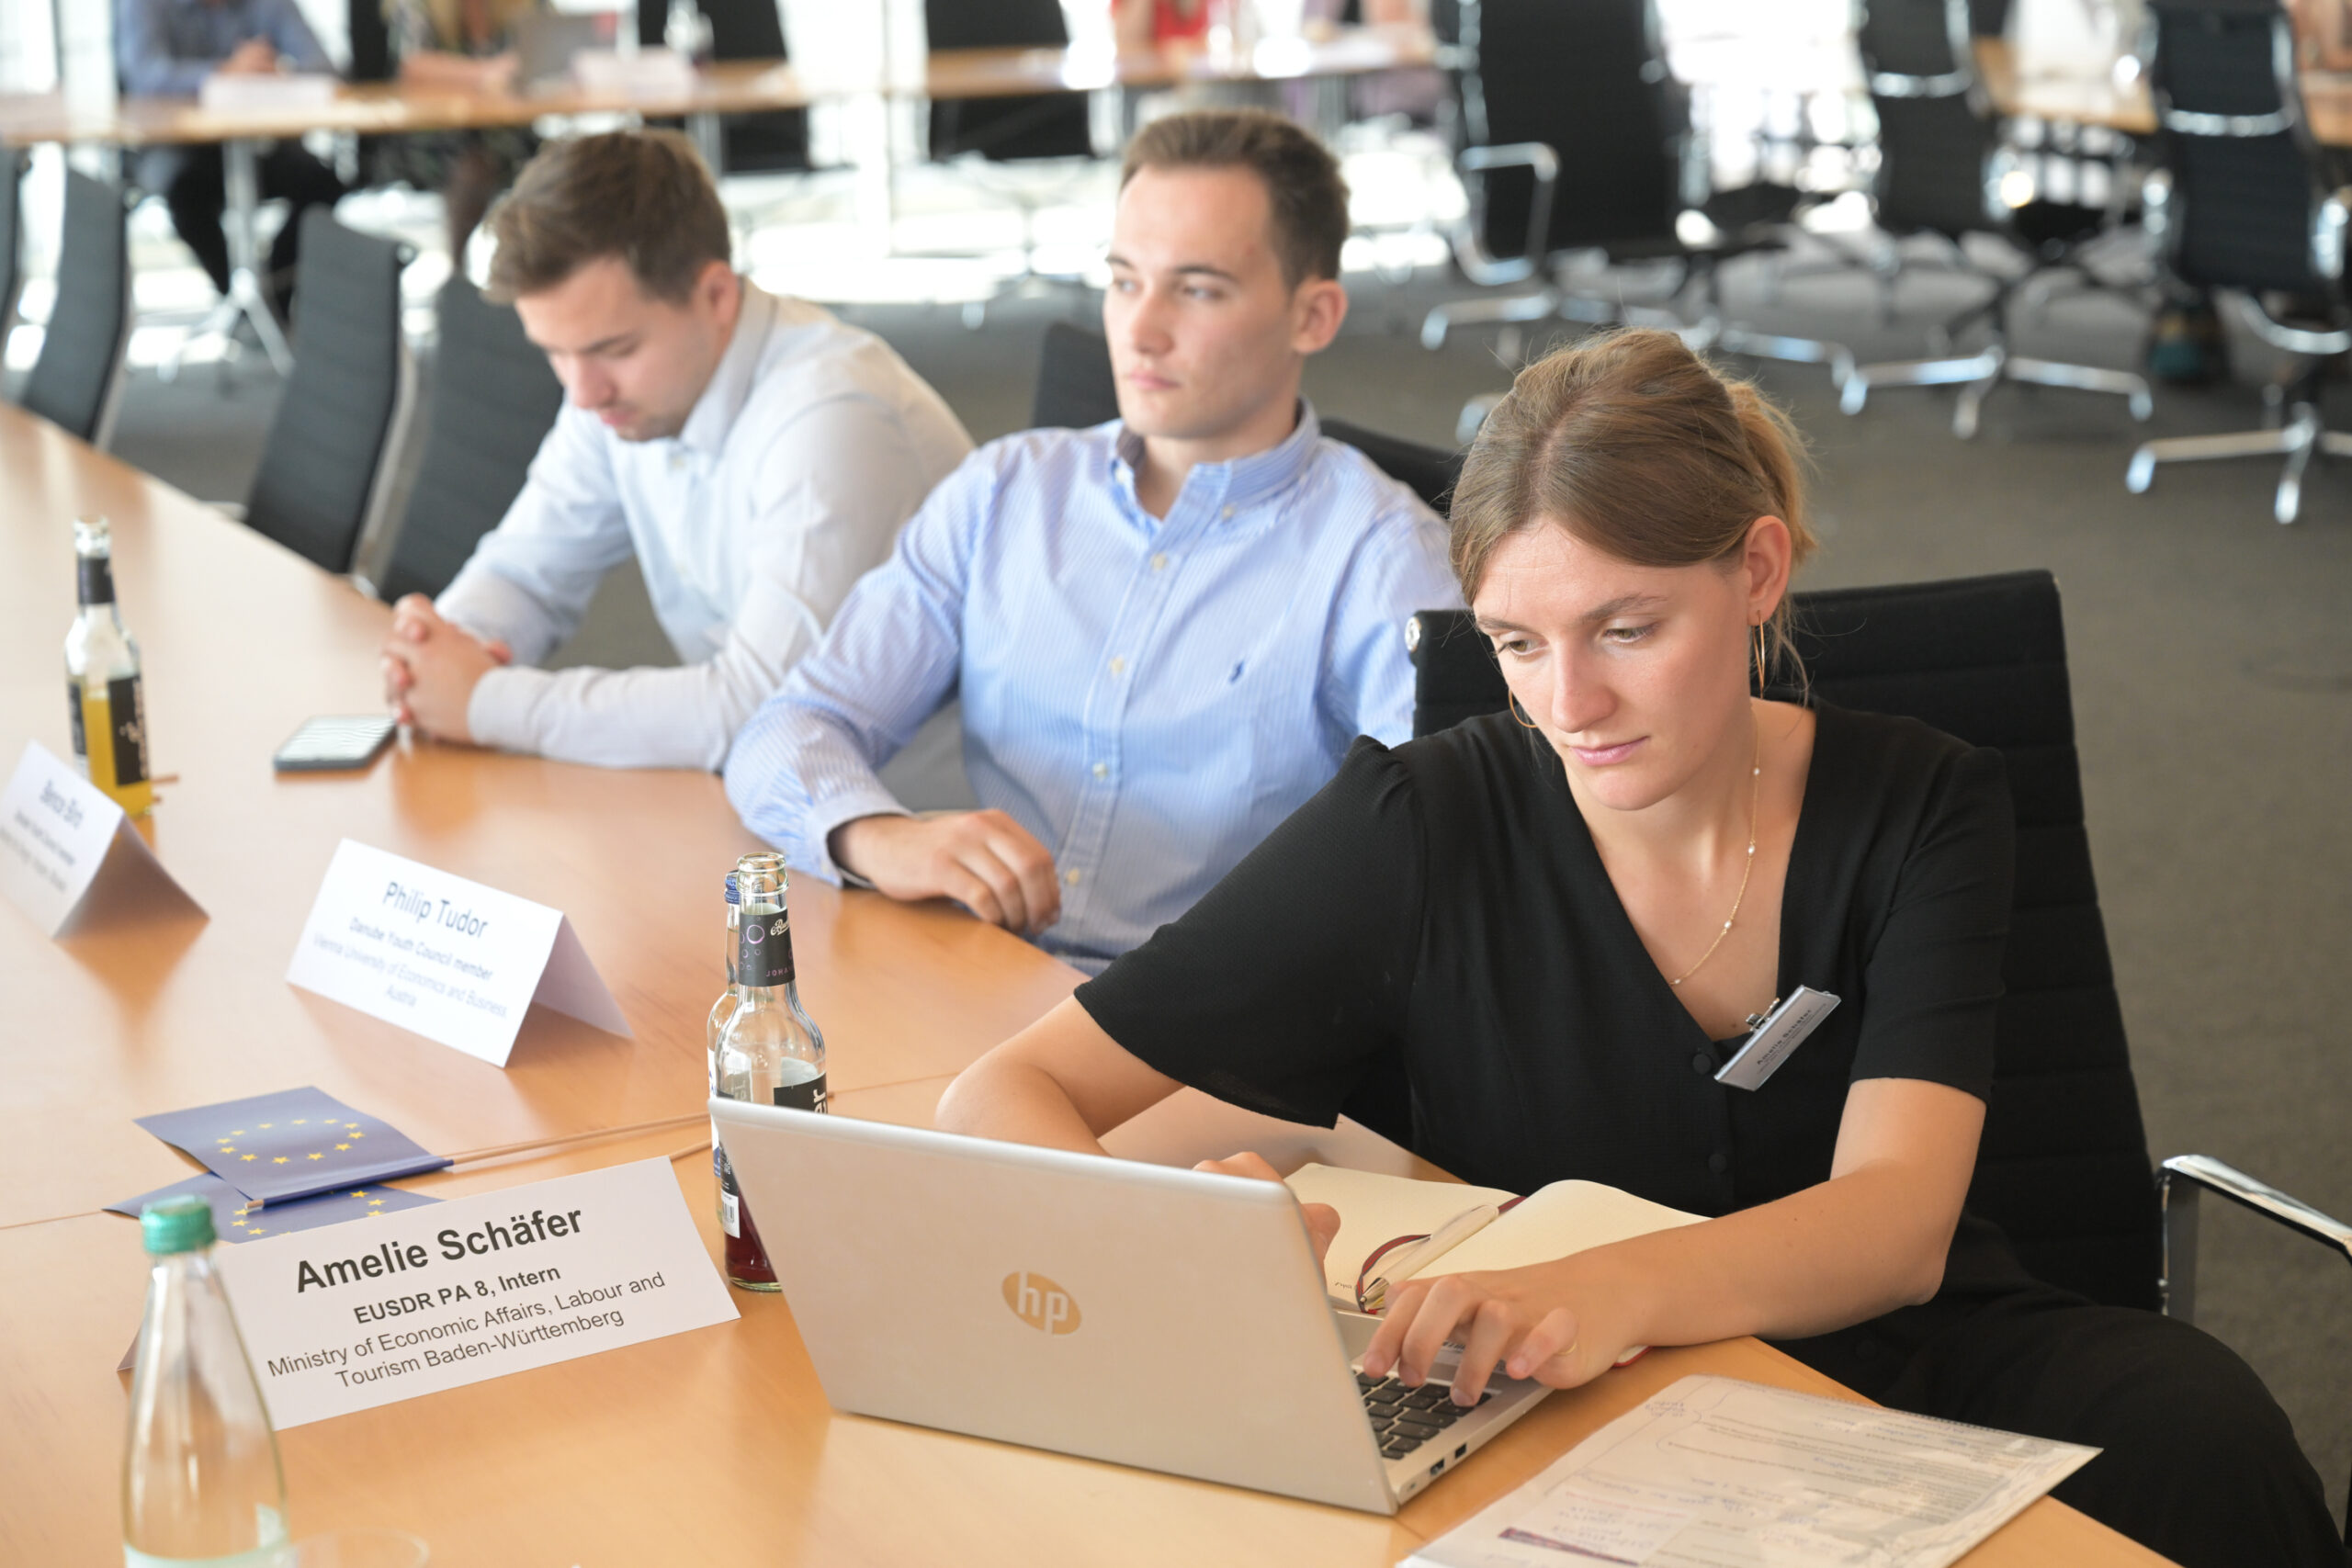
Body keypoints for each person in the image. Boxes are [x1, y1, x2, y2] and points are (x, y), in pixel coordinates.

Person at [934, 330, 2348, 1568]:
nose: (1572, 703)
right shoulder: (1419, 822)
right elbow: (1000, 1092)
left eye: (1625, 628)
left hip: (1921, 1363)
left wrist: (1599, 1288)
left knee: (2199, 1427)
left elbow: (1897, 1223)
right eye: (1517, 643)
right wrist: (1172, 1232)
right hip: (1586, 1412)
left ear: (1757, 571)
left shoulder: (1923, 799)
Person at [722, 109, 1459, 975]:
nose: (1140, 330)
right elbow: (787, 728)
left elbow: (1439, 875)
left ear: (1314, 316)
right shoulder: (1004, 491)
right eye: (1123, 281)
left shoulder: (1386, 562)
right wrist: (876, 835)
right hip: (978, 978)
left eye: (1197, 290)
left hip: (1199, 1022)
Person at [379, 130, 973, 771]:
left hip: (908, 811)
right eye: (554, 353)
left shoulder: (833, 417)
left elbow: (764, 711)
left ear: (716, 297)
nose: (582, 393)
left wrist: (487, 702)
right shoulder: (616, 396)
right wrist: (439, 649)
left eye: (615, 350)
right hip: (763, 797)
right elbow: (524, 573)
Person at [115, 0, 349, 309]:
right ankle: (238, 298)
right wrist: (224, 72)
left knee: (322, 182)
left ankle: (270, 296)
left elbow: (324, 68)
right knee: (184, 193)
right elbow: (144, 76)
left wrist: (275, 72)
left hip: (260, 143)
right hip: (179, 147)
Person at [378, 0, 545, 260]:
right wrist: (487, 72)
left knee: (554, 163)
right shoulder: (419, 7)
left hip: (506, 131)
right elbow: (412, 65)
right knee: (474, 167)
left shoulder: (521, 7)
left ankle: (542, 266)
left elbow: (551, 49)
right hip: (435, 134)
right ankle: (456, 269)